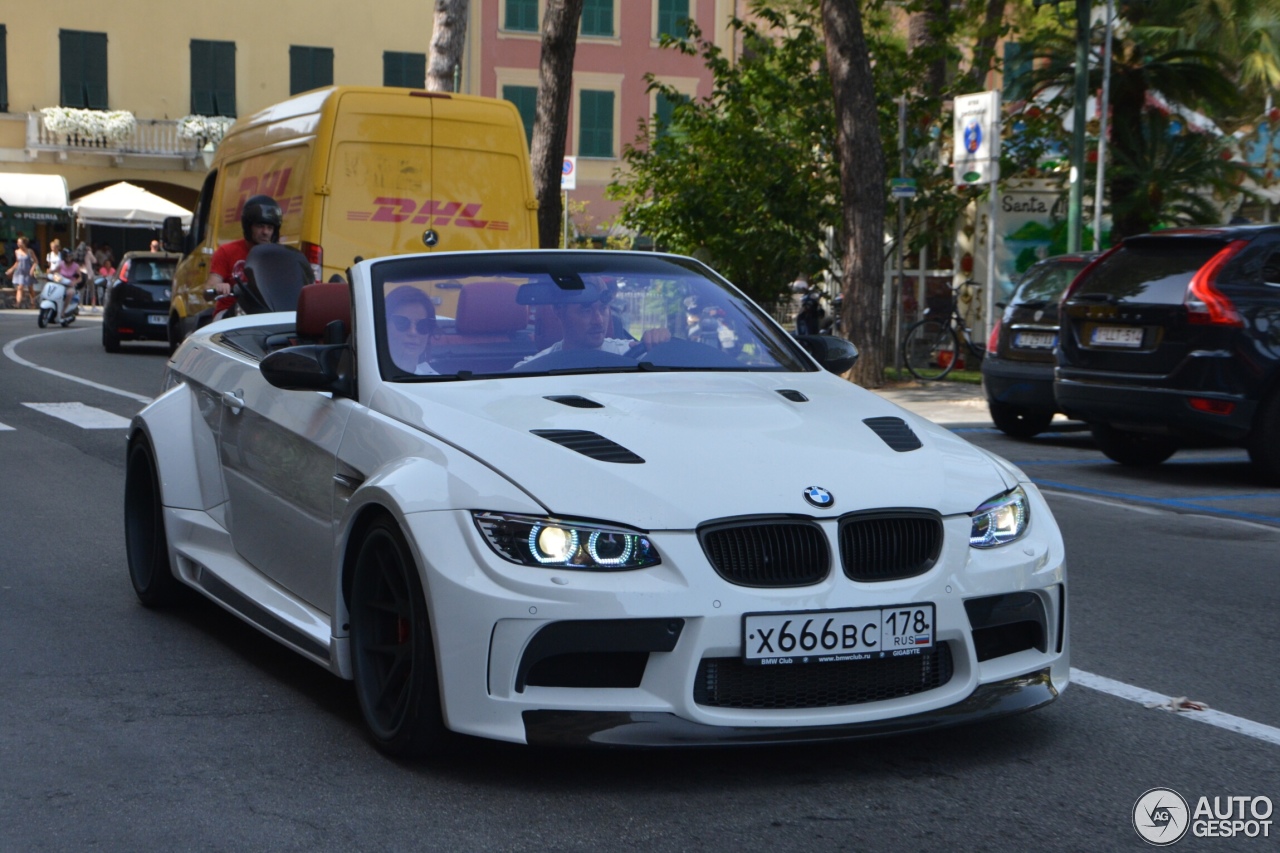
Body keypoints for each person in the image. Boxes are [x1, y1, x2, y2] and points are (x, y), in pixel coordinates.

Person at [515, 280, 670, 368]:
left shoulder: (632, 353)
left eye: (603, 308)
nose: (599, 320)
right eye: (586, 310)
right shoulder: (530, 370)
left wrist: (663, 344)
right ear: (558, 311)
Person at [207, 195, 282, 297]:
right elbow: (209, 288)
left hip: (264, 307)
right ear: (248, 227)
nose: (265, 232)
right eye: (260, 226)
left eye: (270, 228)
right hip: (232, 306)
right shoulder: (226, 251)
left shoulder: (278, 256)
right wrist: (217, 287)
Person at [384, 286, 438, 374]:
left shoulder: (437, 381)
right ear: (384, 326)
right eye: (402, 322)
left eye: (422, 325)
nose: (413, 332)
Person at [6, 236, 38, 309]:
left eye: (20, 242)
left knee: (30, 288)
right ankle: (17, 304)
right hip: (20, 271)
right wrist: (11, 269)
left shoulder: (30, 251)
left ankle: (33, 303)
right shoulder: (17, 251)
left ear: (24, 243)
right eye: (17, 242)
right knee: (20, 287)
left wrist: (32, 269)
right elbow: (17, 262)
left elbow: (36, 261)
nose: (18, 244)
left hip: (28, 272)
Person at [50, 248, 81, 318]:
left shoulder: (75, 266)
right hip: (60, 283)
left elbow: (80, 278)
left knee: (70, 293)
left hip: (70, 285)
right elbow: (54, 271)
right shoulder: (61, 264)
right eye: (67, 256)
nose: (69, 258)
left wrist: (74, 282)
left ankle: (63, 311)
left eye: (70, 256)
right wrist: (49, 272)